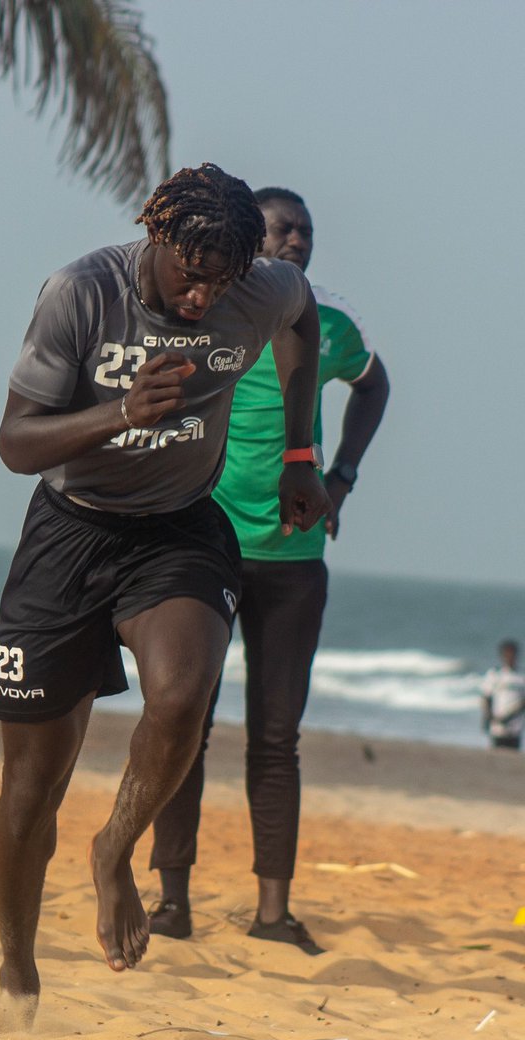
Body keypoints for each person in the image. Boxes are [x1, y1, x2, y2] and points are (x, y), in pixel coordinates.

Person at [0, 163, 329, 1023]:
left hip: (179, 530)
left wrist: (300, 452)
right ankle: (18, 970)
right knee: (31, 787)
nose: (203, 297)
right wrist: (120, 413)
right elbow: (16, 443)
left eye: (222, 280)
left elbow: (302, 316)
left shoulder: (261, 288)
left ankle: (115, 850)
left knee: (181, 696)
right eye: (190, 274)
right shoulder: (80, 294)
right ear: (156, 238)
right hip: (69, 532)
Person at [147, 187, 391, 955]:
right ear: (251, 238)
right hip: (204, 544)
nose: (297, 241)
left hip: (293, 559)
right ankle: (171, 902)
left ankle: (273, 914)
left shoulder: (332, 321)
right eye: (283, 228)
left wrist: (341, 476)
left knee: (276, 737)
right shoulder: (208, 311)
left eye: (306, 231)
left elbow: (374, 384)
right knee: (184, 721)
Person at [481, 639, 525, 750]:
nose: (510, 657)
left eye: (512, 654)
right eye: (507, 654)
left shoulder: (521, 676)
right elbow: (486, 697)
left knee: (512, 755)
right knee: (496, 754)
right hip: (497, 724)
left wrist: (510, 715)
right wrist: (488, 717)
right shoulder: (495, 674)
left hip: (515, 726)